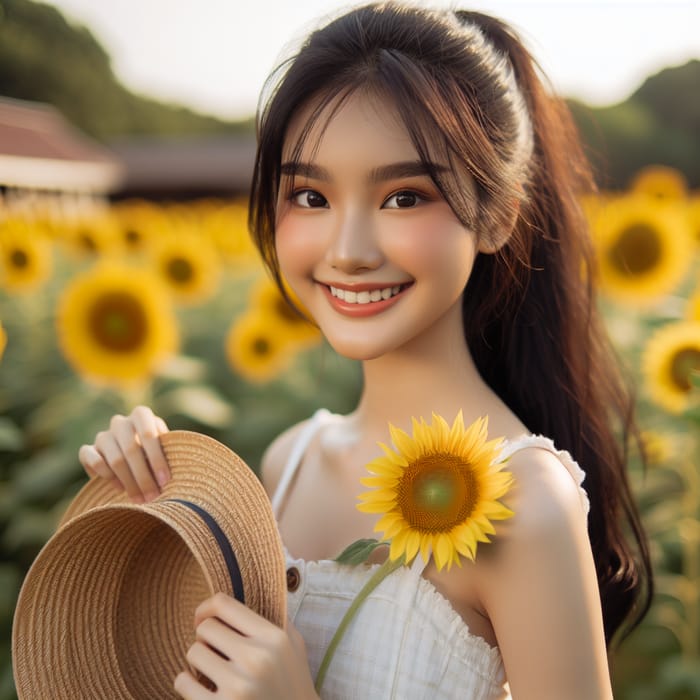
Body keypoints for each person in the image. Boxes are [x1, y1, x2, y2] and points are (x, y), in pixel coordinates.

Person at [78, 3, 652, 698]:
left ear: (498, 214)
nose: (348, 252)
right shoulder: (288, 462)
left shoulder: (526, 504)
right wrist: (146, 501)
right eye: (311, 196)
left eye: (405, 197)